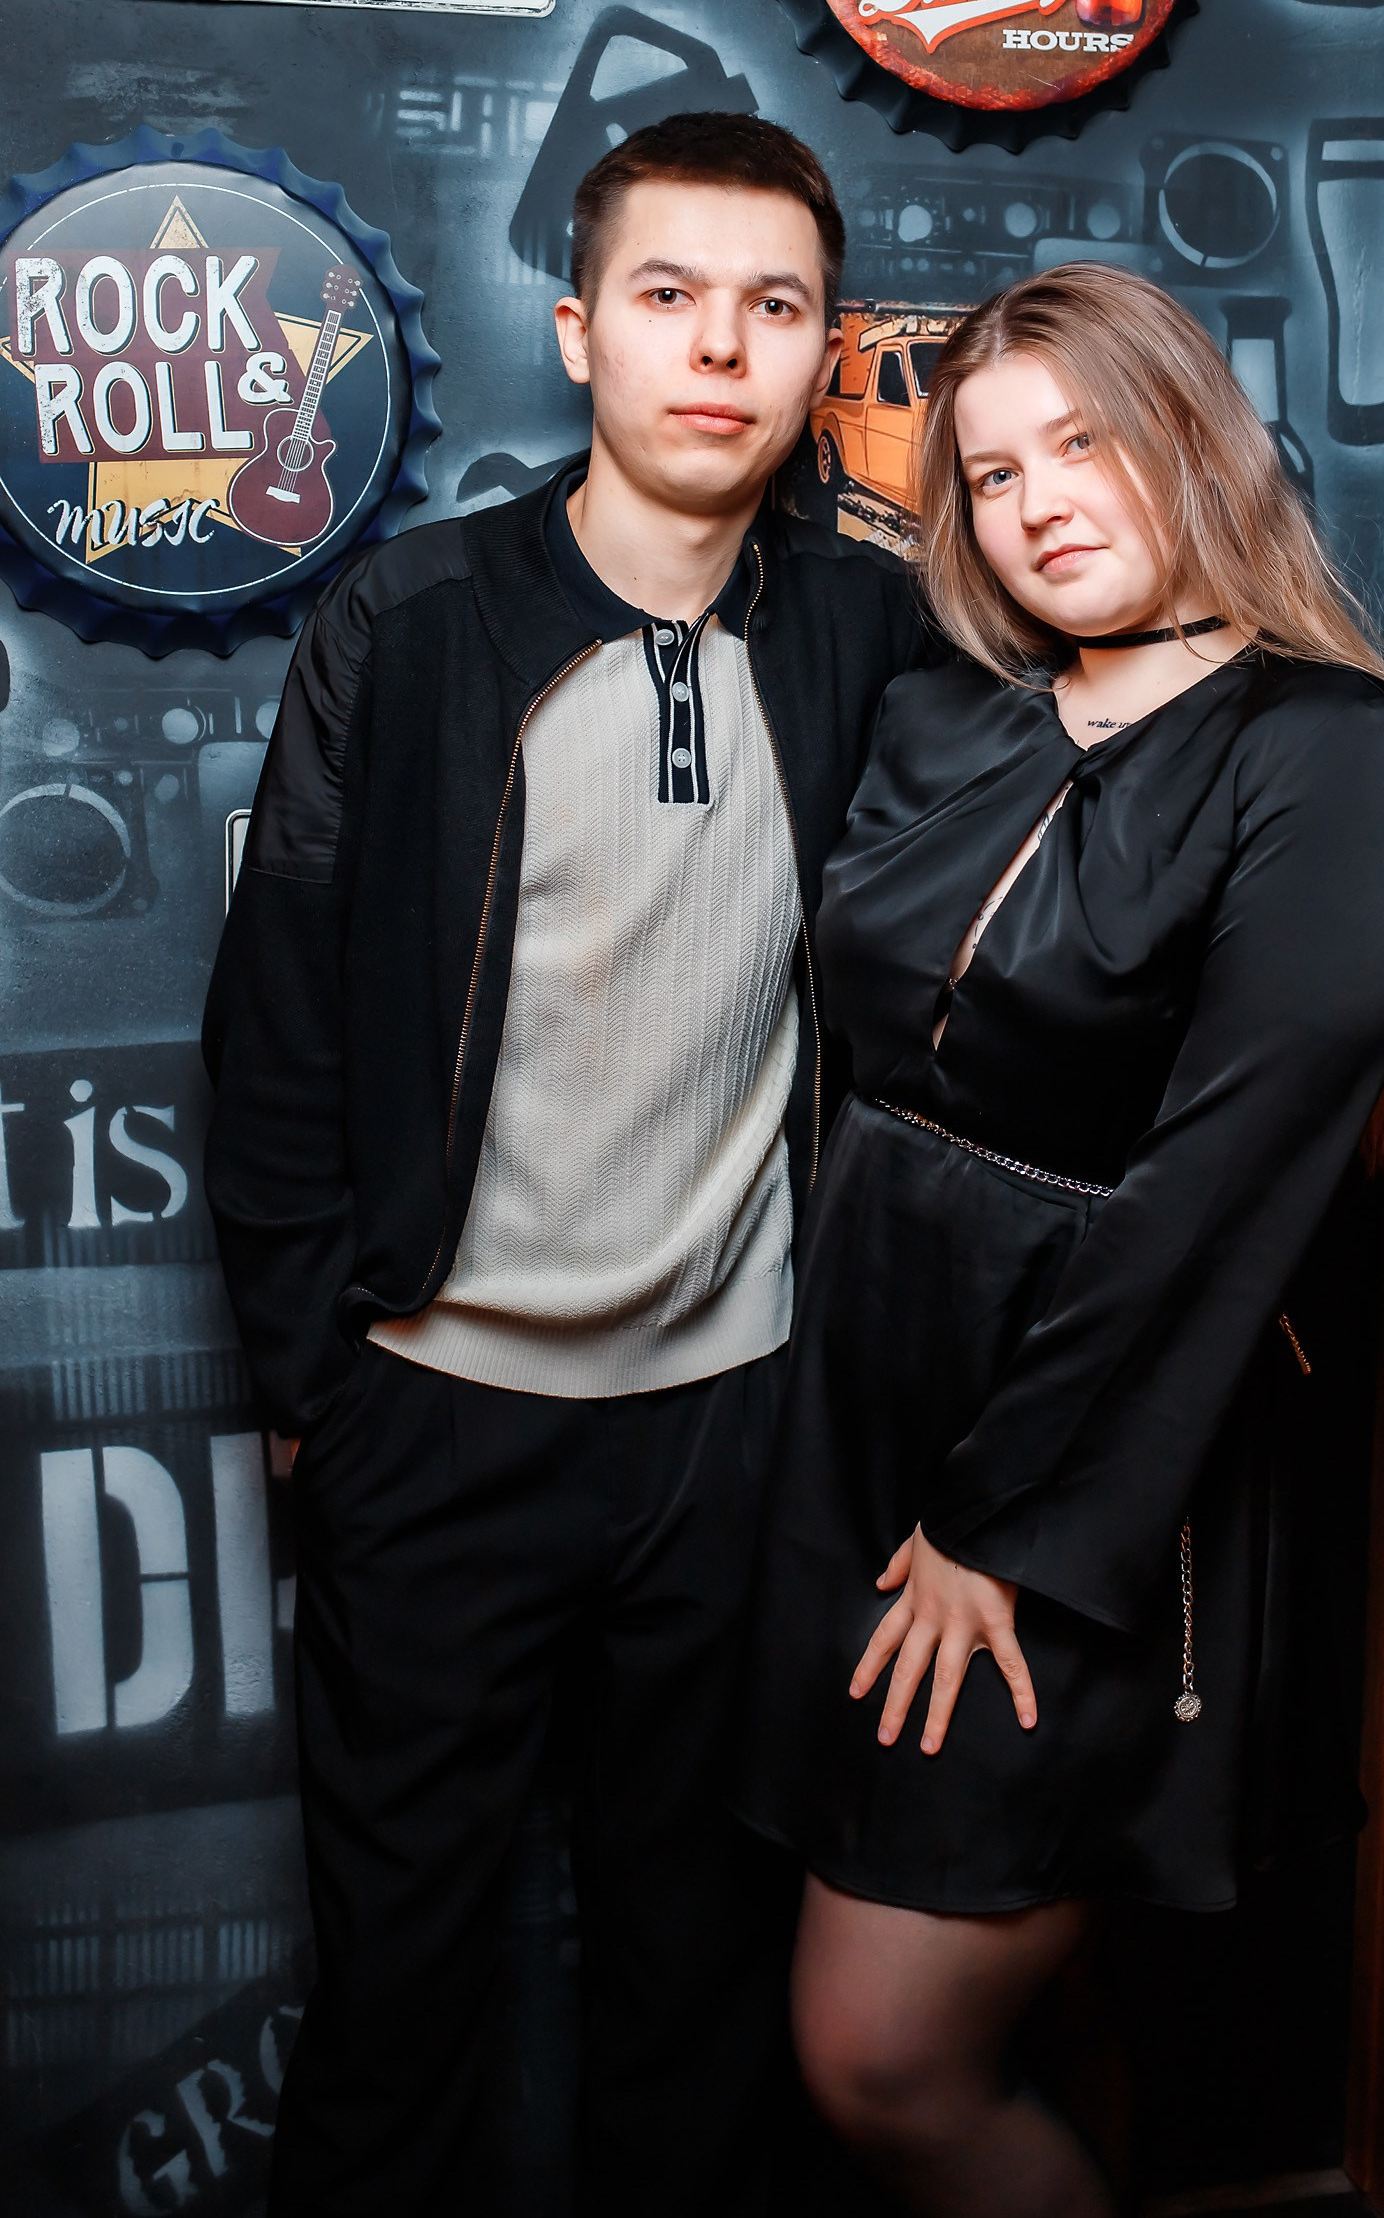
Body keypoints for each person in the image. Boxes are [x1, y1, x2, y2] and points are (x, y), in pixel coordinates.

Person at [201, 112, 925, 2218]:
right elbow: (277, 1025)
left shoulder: (870, 633)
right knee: (400, 2002)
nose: (721, 348)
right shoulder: (416, 619)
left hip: (734, 1426)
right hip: (439, 1407)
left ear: (825, 353)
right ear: (579, 329)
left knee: (697, 1999)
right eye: (669, 295)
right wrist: (318, 1382)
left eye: (775, 307)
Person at [738, 263, 1384, 2217]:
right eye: (992, 472)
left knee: (884, 2047)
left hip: (1084, 1454)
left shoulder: (1332, 743)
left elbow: (1223, 1181)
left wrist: (1011, 1520)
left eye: (1086, 442)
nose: (1040, 500)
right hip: (862, 1405)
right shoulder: (950, 712)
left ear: (1191, 438)